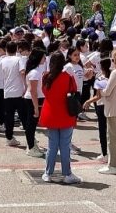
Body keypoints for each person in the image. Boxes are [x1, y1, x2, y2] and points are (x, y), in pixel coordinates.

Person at [38, 52, 81, 184]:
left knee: (52, 146)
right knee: (65, 145)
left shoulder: (46, 77)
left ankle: (48, 173)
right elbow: (75, 91)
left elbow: (44, 92)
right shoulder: (67, 77)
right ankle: (67, 174)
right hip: (65, 114)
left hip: (51, 113)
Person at [23, 48, 47, 157]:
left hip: (36, 99)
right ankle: (31, 147)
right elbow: (33, 91)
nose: (45, 59)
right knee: (31, 124)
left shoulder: (36, 70)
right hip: (33, 100)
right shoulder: (34, 72)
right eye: (43, 57)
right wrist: (36, 108)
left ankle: (32, 145)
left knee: (32, 124)